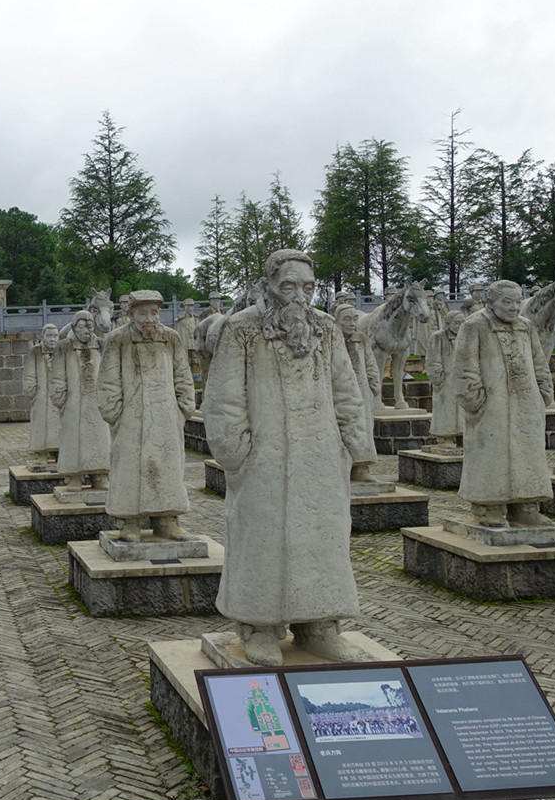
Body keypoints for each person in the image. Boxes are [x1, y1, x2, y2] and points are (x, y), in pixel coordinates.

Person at [203, 249, 367, 666]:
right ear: (269, 285)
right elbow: (223, 398)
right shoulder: (242, 328)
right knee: (261, 540)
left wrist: (353, 445)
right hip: (264, 459)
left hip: (321, 458)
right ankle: (258, 627)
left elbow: (346, 389)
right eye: (289, 286)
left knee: (324, 540)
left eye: (308, 288)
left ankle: (321, 624)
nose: (298, 296)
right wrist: (235, 453)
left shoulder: (327, 329)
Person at [454, 280, 555, 527]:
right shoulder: (474, 326)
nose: (514, 308)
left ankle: (526, 506)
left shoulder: (526, 326)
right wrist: (475, 401)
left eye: (518, 302)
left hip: (526, 404)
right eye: (507, 302)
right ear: (491, 302)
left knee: (528, 455)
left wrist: (543, 393)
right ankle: (488, 507)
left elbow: (539, 362)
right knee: (490, 455)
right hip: (492, 406)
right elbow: (465, 368)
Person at [98, 290, 192, 541]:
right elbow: (108, 380)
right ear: (131, 314)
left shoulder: (170, 338)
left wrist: (183, 409)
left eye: (154, 312)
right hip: (131, 417)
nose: (149, 318)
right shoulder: (118, 339)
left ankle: (167, 520)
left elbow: (183, 375)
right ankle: (129, 521)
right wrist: (114, 414)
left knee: (167, 468)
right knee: (129, 468)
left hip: (165, 416)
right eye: (143, 312)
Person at [50, 310, 111, 491]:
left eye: (90, 326)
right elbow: (57, 377)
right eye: (82, 326)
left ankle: (99, 474)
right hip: (73, 403)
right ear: (74, 327)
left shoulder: (101, 345)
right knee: (72, 441)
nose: (86, 330)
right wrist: (61, 400)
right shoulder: (64, 347)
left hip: (97, 404)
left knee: (100, 439)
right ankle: (74, 476)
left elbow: (109, 373)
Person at [334, 305, 380, 482]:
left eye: (354, 319)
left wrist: (373, 385)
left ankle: (361, 467)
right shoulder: (332, 338)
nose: (352, 323)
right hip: (339, 392)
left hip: (362, 391)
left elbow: (370, 362)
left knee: (364, 428)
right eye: (347, 319)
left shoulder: (361, 338)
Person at [426, 310, 467, 452]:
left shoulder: (467, 337)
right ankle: (445, 437)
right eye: (456, 323)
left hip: (463, 380)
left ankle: (463, 435)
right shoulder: (438, 337)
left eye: (462, 322)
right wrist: (438, 378)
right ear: (448, 323)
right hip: (446, 381)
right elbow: (433, 359)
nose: (459, 326)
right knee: (446, 409)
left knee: (463, 409)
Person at [23, 324, 61, 458]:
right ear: (42, 337)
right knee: (40, 426)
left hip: (59, 397)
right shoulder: (35, 351)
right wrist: (32, 393)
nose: (52, 339)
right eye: (49, 336)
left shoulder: (62, 351)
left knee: (59, 426)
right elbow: (29, 375)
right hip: (41, 396)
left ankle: (58, 453)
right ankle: (41, 454)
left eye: (55, 336)